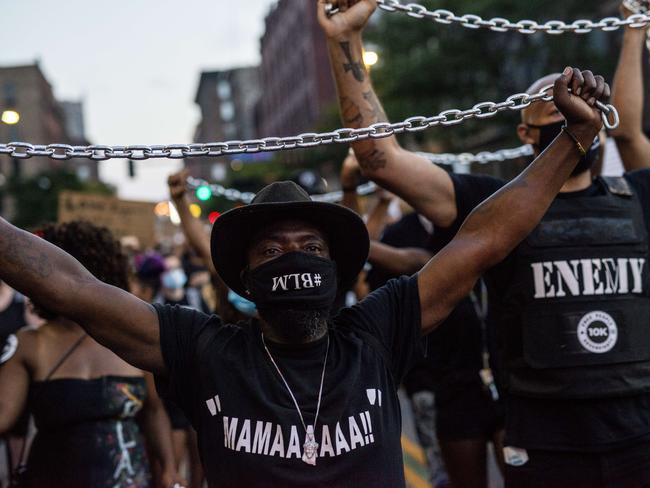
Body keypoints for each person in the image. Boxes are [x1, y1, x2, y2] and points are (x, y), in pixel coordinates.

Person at [0, 45, 608, 487]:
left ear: (337, 269)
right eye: (271, 251)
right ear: (244, 279)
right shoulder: (204, 350)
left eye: (312, 249)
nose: (293, 258)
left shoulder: (377, 331)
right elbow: (72, 286)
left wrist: (571, 143)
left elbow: (484, 240)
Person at [322, 1, 650, 486]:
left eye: (580, 101)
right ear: (524, 131)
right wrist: (344, 39)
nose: (570, 106)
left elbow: (631, 134)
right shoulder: (494, 210)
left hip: (639, 437)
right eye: (555, 103)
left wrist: (632, 30)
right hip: (545, 443)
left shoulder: (638, 198)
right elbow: (380, 160)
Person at [0, 221, 181, 488]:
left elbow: (154, 410)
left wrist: (168, 469)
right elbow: (3, 416)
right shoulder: (30, 343)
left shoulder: (132, 338)